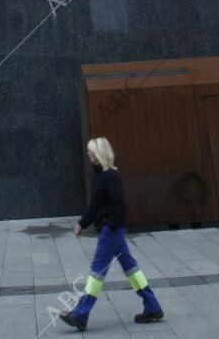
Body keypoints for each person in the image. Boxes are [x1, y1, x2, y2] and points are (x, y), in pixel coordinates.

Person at [59, 137, 164, 332]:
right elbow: (95, 204)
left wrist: (109, 226)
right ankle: (153, 307)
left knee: (97, 271)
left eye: (90, 151)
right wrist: (83, 223)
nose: (88, 154)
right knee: (131, 269)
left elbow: (120, 207)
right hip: (111, 229)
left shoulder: (110, 176)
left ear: (99, 154)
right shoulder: (98, 175)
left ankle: (80, 315)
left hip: (112, 230)